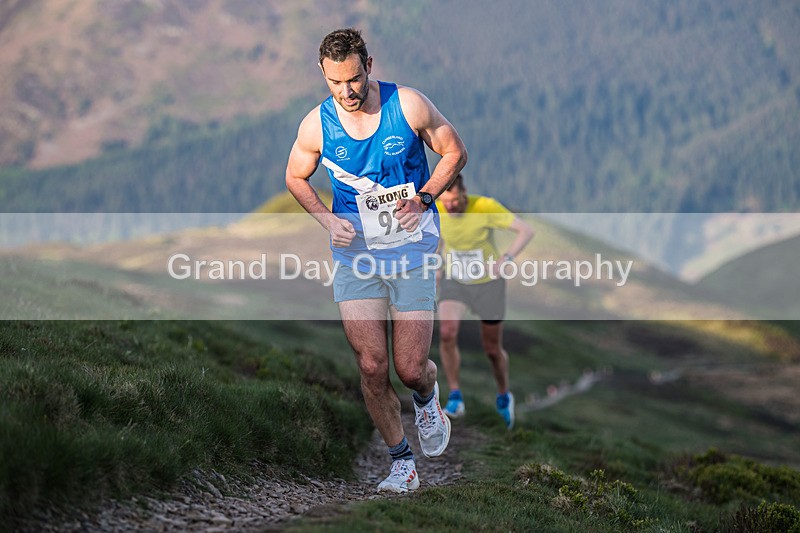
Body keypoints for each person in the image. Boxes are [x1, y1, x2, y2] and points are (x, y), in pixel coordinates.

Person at [285, 28, 468, 493]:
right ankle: (401, 464)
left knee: (409, 367)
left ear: (369, 64)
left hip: (412, 250)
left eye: (353, 79)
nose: (346, 92)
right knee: (370, 364)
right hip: (355, 257)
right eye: (334, 82)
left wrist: (425, 197)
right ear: (323, 75)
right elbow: (295, 176)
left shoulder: (407, 105)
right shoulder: (316, 125)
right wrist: (327, 220)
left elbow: (454, 152)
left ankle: (427, 395)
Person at [435, 174, 534, 429]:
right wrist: (436, 264)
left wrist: (506, 260)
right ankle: (456, 397)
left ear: (464, 193)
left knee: (492, 349)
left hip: (488, 283)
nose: (451, 206)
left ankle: (503, 396)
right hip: (454, 280)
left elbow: (526, 230)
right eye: (446, 202)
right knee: (447, 332)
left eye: (455, 201)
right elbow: (439, 236)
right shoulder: (436, 206)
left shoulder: (484, 206)